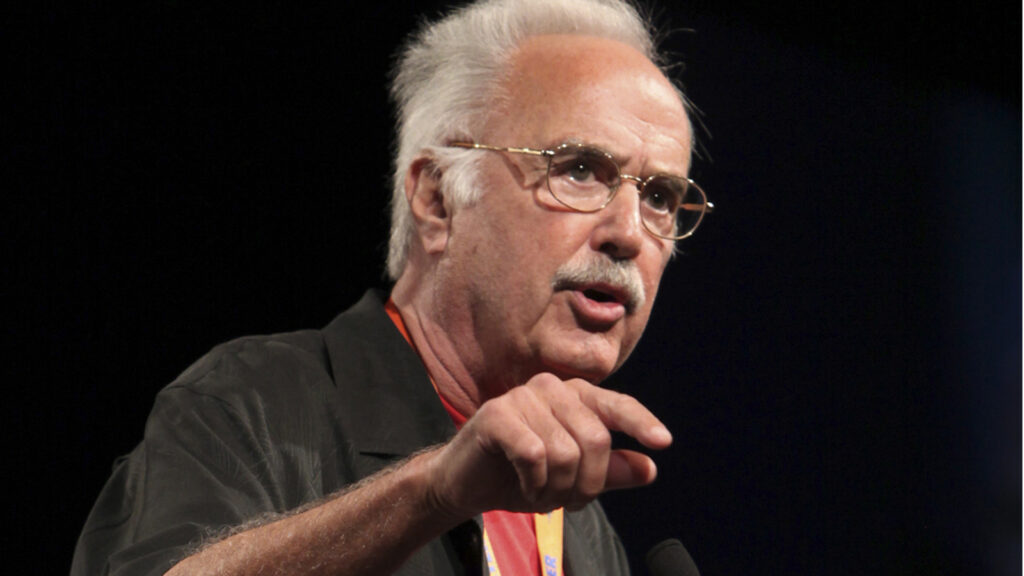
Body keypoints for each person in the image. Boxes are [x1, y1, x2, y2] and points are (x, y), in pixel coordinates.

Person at [71, 0, 712, 574]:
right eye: (579, 170)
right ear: (437, 199)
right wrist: (432, 493)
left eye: (660, 196)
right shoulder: (251, 402)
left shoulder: (582, 525)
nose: (629, 232)